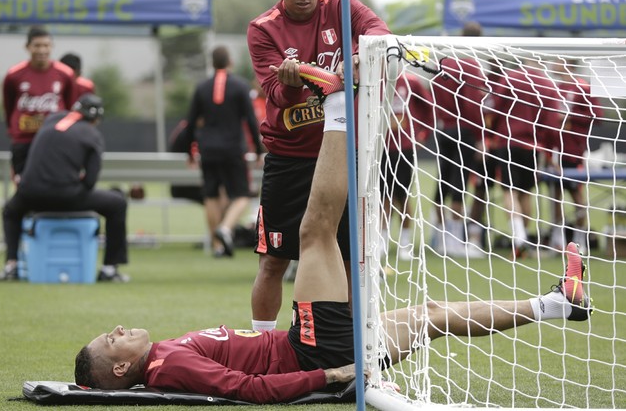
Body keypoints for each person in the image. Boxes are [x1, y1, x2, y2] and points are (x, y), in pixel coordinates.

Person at [73, 87, 592, 404]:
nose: (116, 330)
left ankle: (556, 303)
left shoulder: (163, 358)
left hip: (315, 345)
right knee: (315, 229)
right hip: (312, 347)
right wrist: (333, 373)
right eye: (111, 340)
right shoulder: (167, 367)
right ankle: (341, 106)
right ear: (121, 368)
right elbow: (250, 390)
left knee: (433, 313)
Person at [246, 0, 391, 331]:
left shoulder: (342, 8)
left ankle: (350, 348)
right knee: (274, 259)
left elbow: (380, 31)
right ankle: (262, 345)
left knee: (347, 257)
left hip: (342, 157)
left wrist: (363, 51)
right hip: (289, 160)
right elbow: (275, 94)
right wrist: (292, 84)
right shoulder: (263, 30)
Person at [0, 94, 129, 282]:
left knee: (10, 211)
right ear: (96, 119)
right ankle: (109, 269)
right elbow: (90, 181)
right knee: (117, 202)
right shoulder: (92, 134)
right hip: (65, 196)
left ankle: (11, 265)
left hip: (29, 193)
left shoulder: (52, 119)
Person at [182, 46, 264, 257]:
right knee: (243, 193)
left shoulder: (202, 88)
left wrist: (189, 153)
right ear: (230, 63)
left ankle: (218, 246)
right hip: (232, 149)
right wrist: (257, 150)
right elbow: (250, 120)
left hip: (207, 149)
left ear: (212, 63)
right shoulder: (239, 86)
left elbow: (190, 123)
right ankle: (226, 227)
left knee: (211, 195)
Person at [487, 58, 562, 259]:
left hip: (508, 141)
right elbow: (552, 121)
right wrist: (551, 151)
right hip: (533, 146)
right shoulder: (547, 83)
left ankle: (519, 239)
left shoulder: (509, 78)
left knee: (509, 191)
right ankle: (524, 239)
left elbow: (495, 107)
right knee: (526, 192)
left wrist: (491, 135)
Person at [429, 21, 489, 258]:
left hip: (443, 129)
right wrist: (481, 136)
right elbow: (473, 105)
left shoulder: (444, 62)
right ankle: (453, 240)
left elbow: (433, 91)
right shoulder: (471, 65)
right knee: (458, 183)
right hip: (464, 129)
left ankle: (442, 237)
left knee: (442, 180)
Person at [2, 25, 76, 182]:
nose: (42, 50)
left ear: (52, 47)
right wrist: (13, 130)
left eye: (46, 45)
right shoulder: (14, 74)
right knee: (23, 184)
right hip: (24, 141)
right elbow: (8, 106)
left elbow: (70, 108)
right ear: (27, 47)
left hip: (54, 141)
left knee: (55, 183)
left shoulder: (65, 74)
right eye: (37, 45)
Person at [548, 59, 603, 251]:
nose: (551, 64)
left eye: (555, 61)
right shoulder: (556, 87)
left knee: (575, 193)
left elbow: (597, 115)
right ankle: (557, 237)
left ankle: (580, 238)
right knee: (555, 194)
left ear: (566, 64)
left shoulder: (582, 86)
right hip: (554, 150)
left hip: (572, 151)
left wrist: (571, 116)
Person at [381, 72, 432, 261]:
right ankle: (382, 243)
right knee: (382, 197)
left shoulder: (410, 81)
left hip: (403, 147)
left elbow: (429, 107)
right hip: (380, 147)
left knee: (402, 197)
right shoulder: (374, 79)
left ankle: (405, 244)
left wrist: (424, 133)